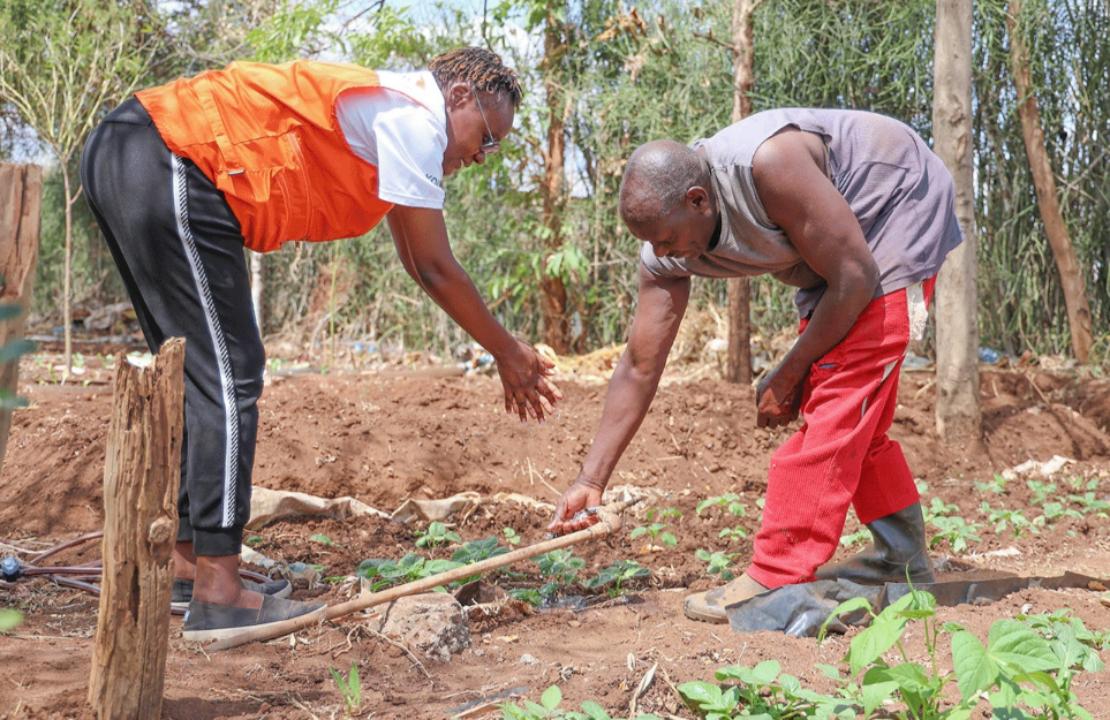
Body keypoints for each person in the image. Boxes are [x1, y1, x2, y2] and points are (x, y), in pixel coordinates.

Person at [81, 47, 560, 642]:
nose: (482, 156)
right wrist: (509, 353)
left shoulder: (397, 120)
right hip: (168, 154)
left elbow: (417, 261)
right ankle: (219, 594)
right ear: (458, 96)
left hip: (134, 151)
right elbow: (437, 267)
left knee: (200, 375)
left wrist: (504, 350)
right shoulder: (416, 119)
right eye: (486, 137)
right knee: (230, 376)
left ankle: (187, 565)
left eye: (494, 149)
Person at [549, 108, 963, 623]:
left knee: (840, 394)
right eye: (650, 243)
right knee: (851, 409)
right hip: (840, 255)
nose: (661, 253)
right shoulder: (665, 253)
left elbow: (856, 277)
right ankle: (900, 560)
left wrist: (788, 371)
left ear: (698, 200)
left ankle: (777, 577)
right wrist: (591, 479)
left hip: (895, 201)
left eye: (666, 239)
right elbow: (639, 365)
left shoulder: (769, 164)